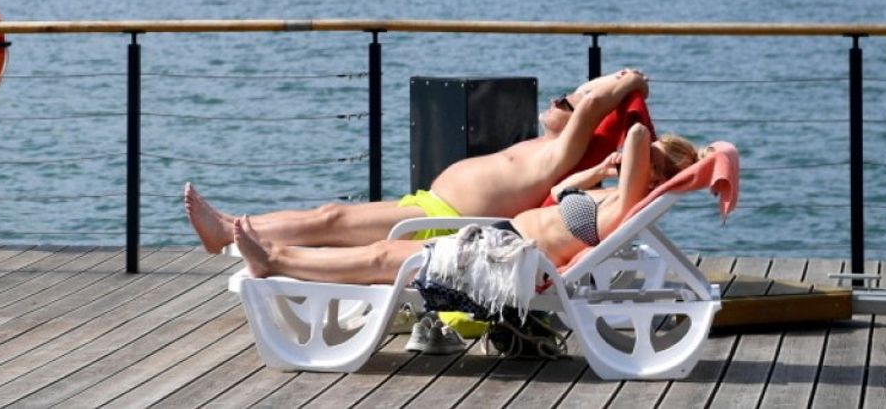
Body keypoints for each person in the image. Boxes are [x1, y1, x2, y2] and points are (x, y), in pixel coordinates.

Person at [185, 68, 652, 254]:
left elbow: (594, 101)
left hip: (441, 221)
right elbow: (589, 100)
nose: (555, 100)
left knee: (332, 218)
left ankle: (227, 231)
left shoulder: (560, 153)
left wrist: (628, 82)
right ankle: (233, 226)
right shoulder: (542, 144)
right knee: (331, 216)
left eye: (565, 102)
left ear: (581, 122)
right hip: (429, 207)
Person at [229, 123, 704, 285]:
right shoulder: (611, 196)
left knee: (382, 258)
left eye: (653, 160)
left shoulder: (626, 205)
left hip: (506, 261)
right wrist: (601, 169)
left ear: (654, 173)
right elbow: (562, 194)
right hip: (497, 239)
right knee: (384, 254)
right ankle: (277, 256)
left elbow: (636, 133)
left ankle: (274, 260)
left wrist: (655, 151)